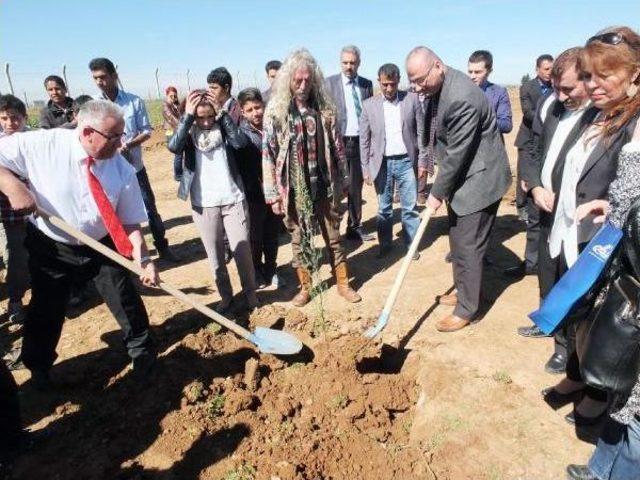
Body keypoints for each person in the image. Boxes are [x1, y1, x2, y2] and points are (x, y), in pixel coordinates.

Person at [0, 99, 159, 389]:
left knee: (124, 296)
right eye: (114, 136)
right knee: (47, 306)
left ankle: (142, 353)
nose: (121, 142)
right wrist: (13, 187)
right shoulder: (42, 145)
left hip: (102, 241)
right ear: (87, 132)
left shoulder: (120, 168)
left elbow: (131, 221)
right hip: (52, 243)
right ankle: (39, 368)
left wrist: (144, 258)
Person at [539, 26, 640, 435]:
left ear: (635, 74)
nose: (591, 84)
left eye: (603, 75)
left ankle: (597, 401)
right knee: (581, 320)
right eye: (587, 75)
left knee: (604, 330)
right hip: (579, 233)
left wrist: (618, 209)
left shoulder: (633, 123)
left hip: (613, 254)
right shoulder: (603, 114)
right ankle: (580, 380)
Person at [406, 46, 512, 332]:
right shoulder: (439, 87)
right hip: (463, 179)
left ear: (438, 66)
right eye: (411, 81)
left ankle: (468, 308)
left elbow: (457, 154)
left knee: (468, 246)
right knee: (458, 239)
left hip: (480, 180)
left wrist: (435, 193)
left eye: (419, 80)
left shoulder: (462, 97)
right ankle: (464, 293)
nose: (416, 88)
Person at [516, 47, 598, 376]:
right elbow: (532, 149)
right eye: (557, 88)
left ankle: (570, 350)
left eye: (569, 89)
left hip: (580, 219)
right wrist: (535, 185)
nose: (561, 96)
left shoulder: (599, 115)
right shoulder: (550, 105)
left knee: (572, 281)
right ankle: (551, 330)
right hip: (547, 208)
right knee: (549, 274)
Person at [263, 48, 361, 306]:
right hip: (294, 192)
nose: (304, 85)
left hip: (324, 187)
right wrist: (273, 194)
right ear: (288, 80)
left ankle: (342, 283)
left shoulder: (325, 108)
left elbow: (338, 148)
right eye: (298, 80)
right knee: (299, 240)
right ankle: (306, 287)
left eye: (308, 80)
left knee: (334, 237)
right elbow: (268, 155)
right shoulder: (276, 112)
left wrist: (346, 181)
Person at [168, 90, 258, 313]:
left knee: (243, 253)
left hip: (233, 199)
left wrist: (223, 116)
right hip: (203, 204)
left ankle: (251, 295)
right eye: (201, 117)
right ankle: (226, 297)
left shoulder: (225, 129)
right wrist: (187, 117)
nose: (206, 121)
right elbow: (173, 146)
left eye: (210, 115)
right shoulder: (188, 134)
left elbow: (240, 143)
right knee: (216, 256)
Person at [90, 57, 176, 261]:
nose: (99, 82)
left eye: (103, 77)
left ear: (114, 76)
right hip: (107, 172)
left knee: (149, 208)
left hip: (134, 168)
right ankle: (127, 256)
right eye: (95, 78)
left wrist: (127, 145)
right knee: (113, 214)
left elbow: (146, 131)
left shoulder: (134, 101)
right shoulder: (94, 105)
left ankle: (162, 247)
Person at [359, 63, 425, 259]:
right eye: (385, 84)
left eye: (393, 84)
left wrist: (422, 161)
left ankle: (411, 245)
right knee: (385, 209)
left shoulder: (412, 100)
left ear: (399, 82)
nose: (389, 89)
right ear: (379, 82)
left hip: (406, 161)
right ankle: (385, 244)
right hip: (382, 164)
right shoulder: (368, 105)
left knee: (410, 208)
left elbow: (421, 133)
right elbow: (364, 140)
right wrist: (365, 169)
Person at [509, 54, 554, 277]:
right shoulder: (527, 87)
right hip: (529, 141)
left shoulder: (557, 89)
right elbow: (528, 114)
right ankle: (531, 263)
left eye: (551, 69)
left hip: (548, 146)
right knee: (525, 181)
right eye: (546, 69)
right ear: (537, 69)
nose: (549, 72)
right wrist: (551, 117)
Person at [234, 88, 284, 288]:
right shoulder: (241, 135)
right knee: (255, 237)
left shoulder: (272, 127)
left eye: (258, 107)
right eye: (250, 109)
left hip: (276, 192)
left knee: (272, 234)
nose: (256, 112)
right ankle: (256, 270)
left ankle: (271, 268)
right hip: (254, 195)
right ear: (242, 112)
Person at [325, 45, 375, 242]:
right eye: (345, 63)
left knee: (355, 186)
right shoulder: (329, 84)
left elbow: (370, 113)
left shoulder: (366, 85)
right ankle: (332, 229)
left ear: (359, 63)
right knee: (335, 188)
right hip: (336, 143)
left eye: (352, 63)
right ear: (340, 63)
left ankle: (354, 226)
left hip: (358, 143)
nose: (348, 66)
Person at [0, 95, 30, 324]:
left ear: (24, 118)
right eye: (4, 118)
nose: (10, 123)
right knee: (16, 256)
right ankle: (16, 300)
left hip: (36, 211)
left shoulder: (32, 142)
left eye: (15, 118)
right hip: (9, 214)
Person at [467, 50, 513, 136]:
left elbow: (506, 125)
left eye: (477, 72)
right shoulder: (461, 91)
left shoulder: (499, 93)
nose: (472, 76)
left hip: (490, 147)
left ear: (489, 71)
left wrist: (479, 121)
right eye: (470, 72)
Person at [162, 86, 183, 181]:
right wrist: (184, 126)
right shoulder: (165, 105)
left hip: (177, 130)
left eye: (175, 95)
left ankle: (180, 172)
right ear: (167, 96)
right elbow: (171, 118)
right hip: (171, 131)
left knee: (180, 152)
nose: (173, 98)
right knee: (178, 152)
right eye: (171, 96)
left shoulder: (176, 104)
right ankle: (178, 175)